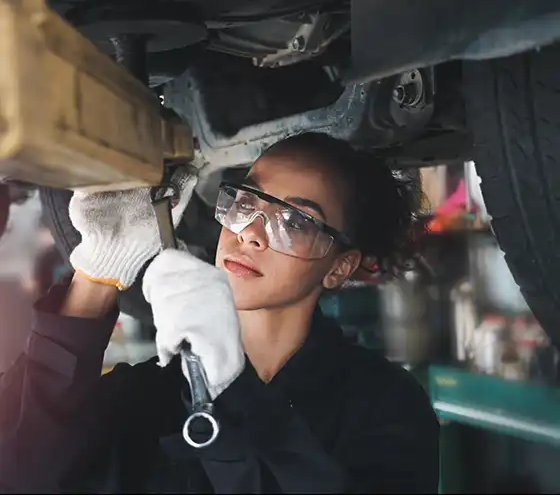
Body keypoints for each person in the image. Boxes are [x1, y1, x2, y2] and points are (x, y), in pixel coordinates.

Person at [0, 132, 439, 493]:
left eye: (296, 222)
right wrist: (99, 273)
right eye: (248, 203)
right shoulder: (152, 392)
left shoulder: (386, 405)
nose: (250, 233)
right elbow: (20, 474)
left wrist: (229, 393)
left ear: (340, 267)